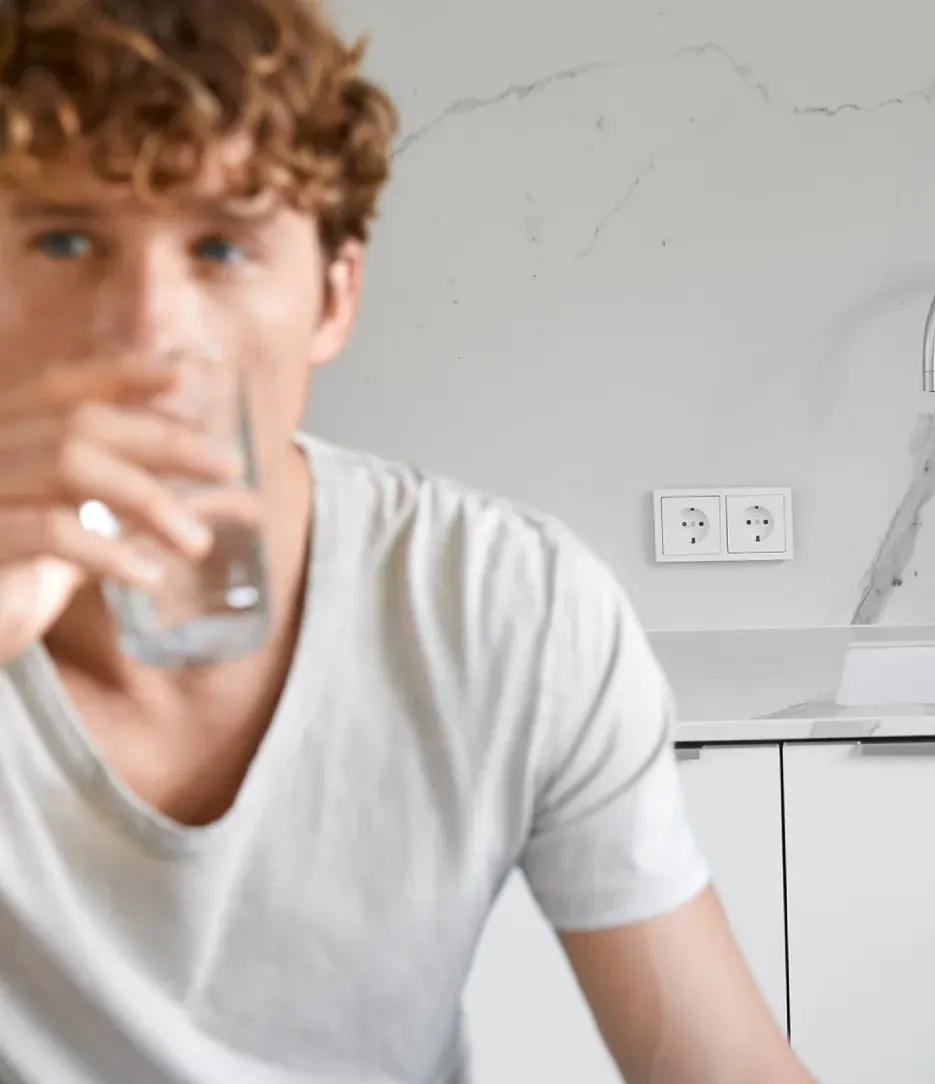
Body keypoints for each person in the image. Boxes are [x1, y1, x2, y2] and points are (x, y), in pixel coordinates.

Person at [0, 1, 814, 1081]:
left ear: (333, 299)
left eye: (223, 246)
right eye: (66, 239)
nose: (150, 331)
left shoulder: (507, 606)